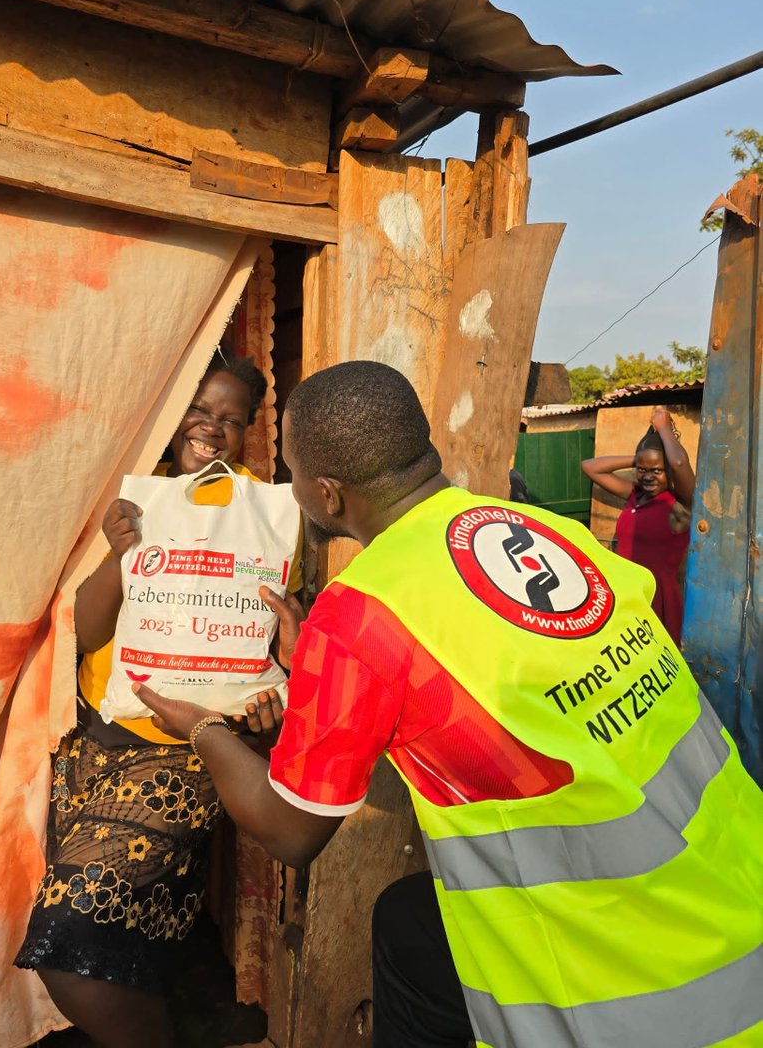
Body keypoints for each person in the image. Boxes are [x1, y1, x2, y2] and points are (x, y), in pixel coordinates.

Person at [135, 360, 763, 1048]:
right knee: (410, 926)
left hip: (658, 988)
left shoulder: (367, 607)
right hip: (736, 881)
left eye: (291, 473)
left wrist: (201, 730)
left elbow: (291, 831)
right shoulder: (543, 530)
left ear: (327, 492)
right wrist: (307, 663)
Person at [15, 346, 299, 1048]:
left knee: (73, 938)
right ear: (174, 416)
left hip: (186, 751)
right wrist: (122, 552)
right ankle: (186, 1015)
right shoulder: (131, 493)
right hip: (95, 739)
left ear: (248, 434)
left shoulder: (264, 517)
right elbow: (84, 630)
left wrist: (269, 711)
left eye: (231, 420)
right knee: (142, 916)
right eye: (200, 411)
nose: (212, 428)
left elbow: (275, 641)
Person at [581, 406, 695, 642]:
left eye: (658, 470)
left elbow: (680, 464)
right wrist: (640, 457)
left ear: (670, 472)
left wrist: (664, 429)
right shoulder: (634, 494)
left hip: (658, 599)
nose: (649, 476)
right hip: (626, 593)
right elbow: (589, 466)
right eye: (642, 470)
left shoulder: (680, 504)